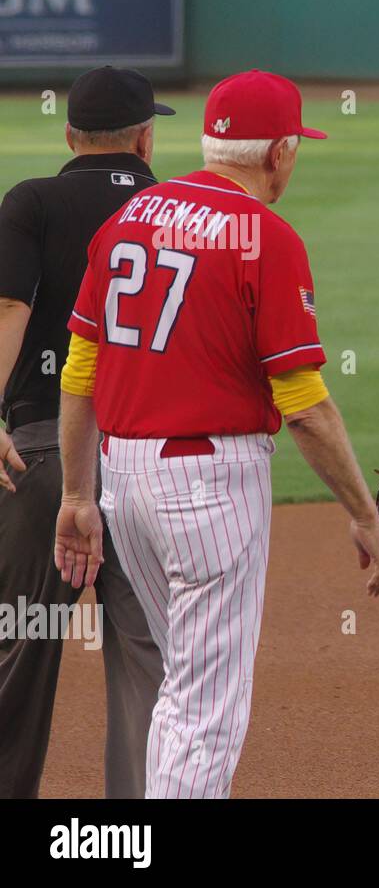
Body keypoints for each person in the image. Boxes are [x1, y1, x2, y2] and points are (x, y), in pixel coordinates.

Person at [52, 69, 379, 798]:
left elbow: (80, 368)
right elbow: (303, 404)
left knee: (181, 687)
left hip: (124, 481)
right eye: (295, 146)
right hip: (210, 488)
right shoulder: (267, 237)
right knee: (206, 711)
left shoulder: (130, 218)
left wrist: (77, 493)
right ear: (278, 153)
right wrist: (367, 517)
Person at [0, 66, 171, 798]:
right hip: (148, 465)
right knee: (147, 667)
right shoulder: (172, 208)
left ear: (70, 135)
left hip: (39, 458)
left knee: (19, 652)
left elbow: (10, 310)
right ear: (145, 137)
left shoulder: (31, 200)